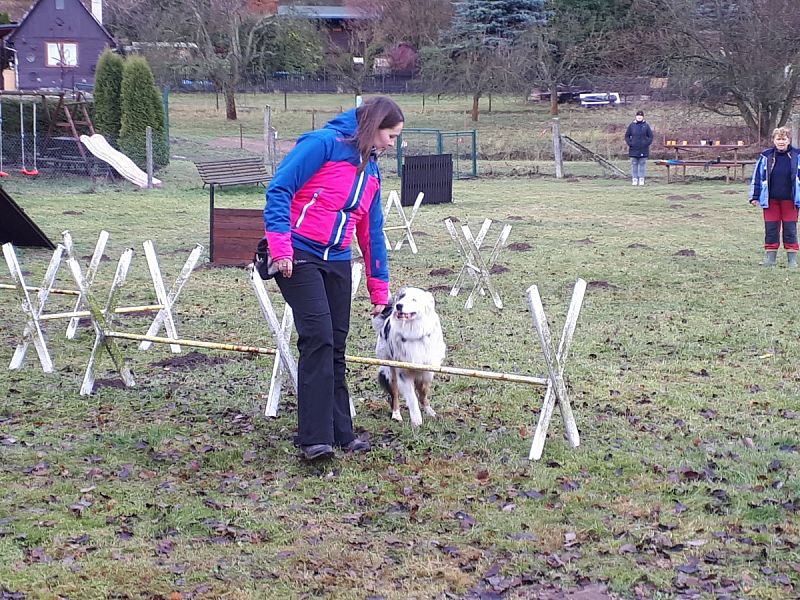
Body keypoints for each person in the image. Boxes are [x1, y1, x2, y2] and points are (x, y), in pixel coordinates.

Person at [263, 96, 403, 461]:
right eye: (390, 135)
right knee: (319, 338)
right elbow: (279, 190)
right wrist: (281, 249)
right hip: (298, 254)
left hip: (338, 259)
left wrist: (380, 287)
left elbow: (371, 232)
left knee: (337, 345)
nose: (392, 143)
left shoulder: (371, 171)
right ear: (373, 127)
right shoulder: (321, 145)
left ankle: (343, 432)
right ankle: (313, 438)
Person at [749, 126, 800, 267]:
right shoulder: (766, 156)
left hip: (791, 200)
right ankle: (770, 259)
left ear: (789, 140)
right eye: (778, 139)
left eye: (784, 139)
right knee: (771, 229)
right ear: (774, 140)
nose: (781, 142)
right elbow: (758, 177)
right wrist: (755, 196)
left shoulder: (798, 155)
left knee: (790, 229)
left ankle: (792, 260)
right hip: (770, 200)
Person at [625, 110, 653, 186]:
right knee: (634, 164)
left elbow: (650, 136)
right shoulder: (631, 125)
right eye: (638, 116)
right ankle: (634, 179)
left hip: (643, 149)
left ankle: (641, 179)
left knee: (642, 164)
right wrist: (630, 143)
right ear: (636, 117)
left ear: (643, 117)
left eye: (641, 116)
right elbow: (627, 136)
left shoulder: (646, 125)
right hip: (633, 149)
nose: (639, 117)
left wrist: (646, 143)